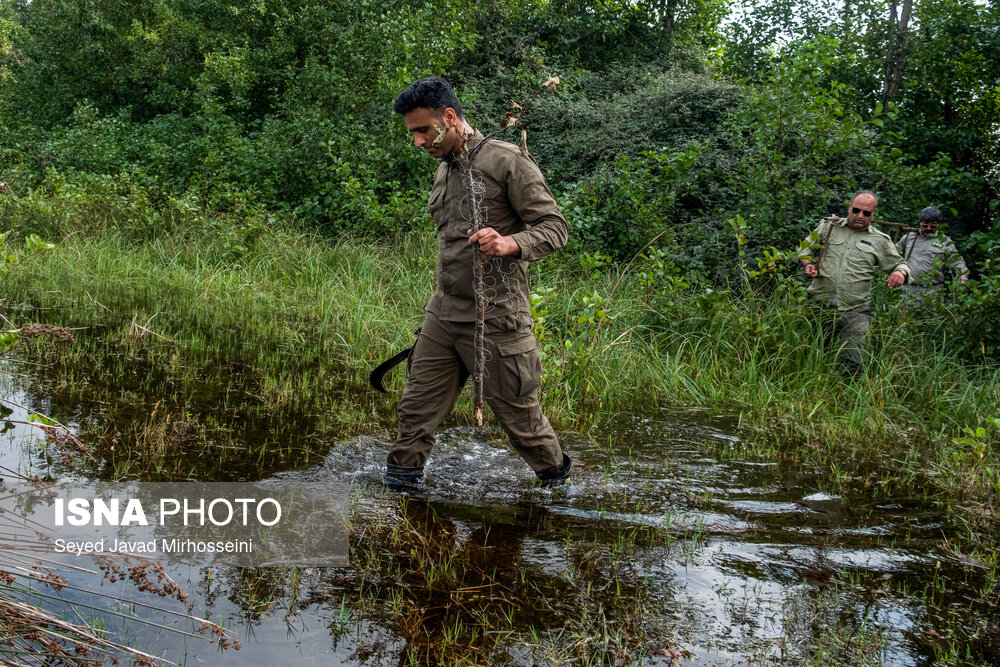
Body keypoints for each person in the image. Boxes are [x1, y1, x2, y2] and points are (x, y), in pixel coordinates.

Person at [384, 77, 571, 488]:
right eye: (412, 133)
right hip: (443, 315)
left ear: (449, 118)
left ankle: (560, 493)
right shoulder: (445, 169)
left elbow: (555, 228)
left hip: (498, 320)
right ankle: (399, 499)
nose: (417, 142)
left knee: (524, 424)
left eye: (421, 130)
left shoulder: (508, 162)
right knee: (413, 415)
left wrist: (509, 242)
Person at [799, 190, 910, 376]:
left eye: (866, 213)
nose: (860, 216)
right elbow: (805, 248)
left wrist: (899, 273)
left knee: (853, 362)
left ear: (873, 214)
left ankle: (845, 398)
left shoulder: (880, 240)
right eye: (856, 210)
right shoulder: (829, 227)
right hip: (819, 302)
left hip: (855, 309)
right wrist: (808, 264)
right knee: (811, 352)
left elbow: (899, 264)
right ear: (849, 208)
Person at [895, 206, 969, 299]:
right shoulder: (909, 237)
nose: (928, 228)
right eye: (925, 226)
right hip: (908, 289)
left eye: (933, 226)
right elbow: (894, 253)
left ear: (938, 225)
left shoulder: (945, 241)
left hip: (933, 291)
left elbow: (957, 262)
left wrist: (963, 278)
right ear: (920, 223)